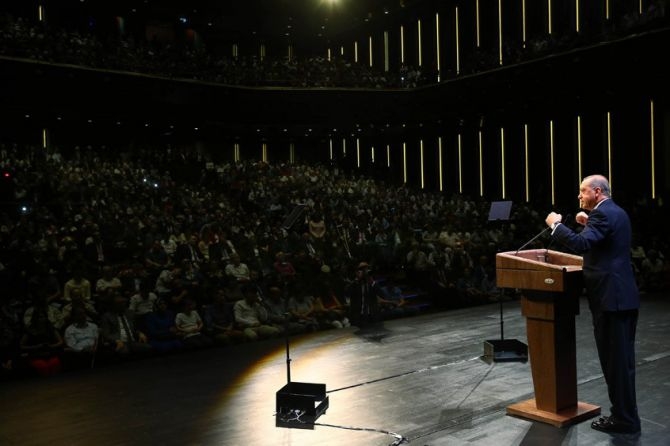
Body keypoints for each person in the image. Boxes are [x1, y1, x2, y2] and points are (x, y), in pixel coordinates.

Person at [545, 174, 641, 434]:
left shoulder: (602, 215)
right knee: (621, 364)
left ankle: (625, 420)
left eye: (582, 191)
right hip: (621, 298)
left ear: (597, 192)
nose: (579, 196)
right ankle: (624, 416)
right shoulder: (615, 212)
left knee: (615, 364)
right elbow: (604, 242)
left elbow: (582, 243)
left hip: (611, 301)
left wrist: (556, 225)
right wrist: (587, 222)